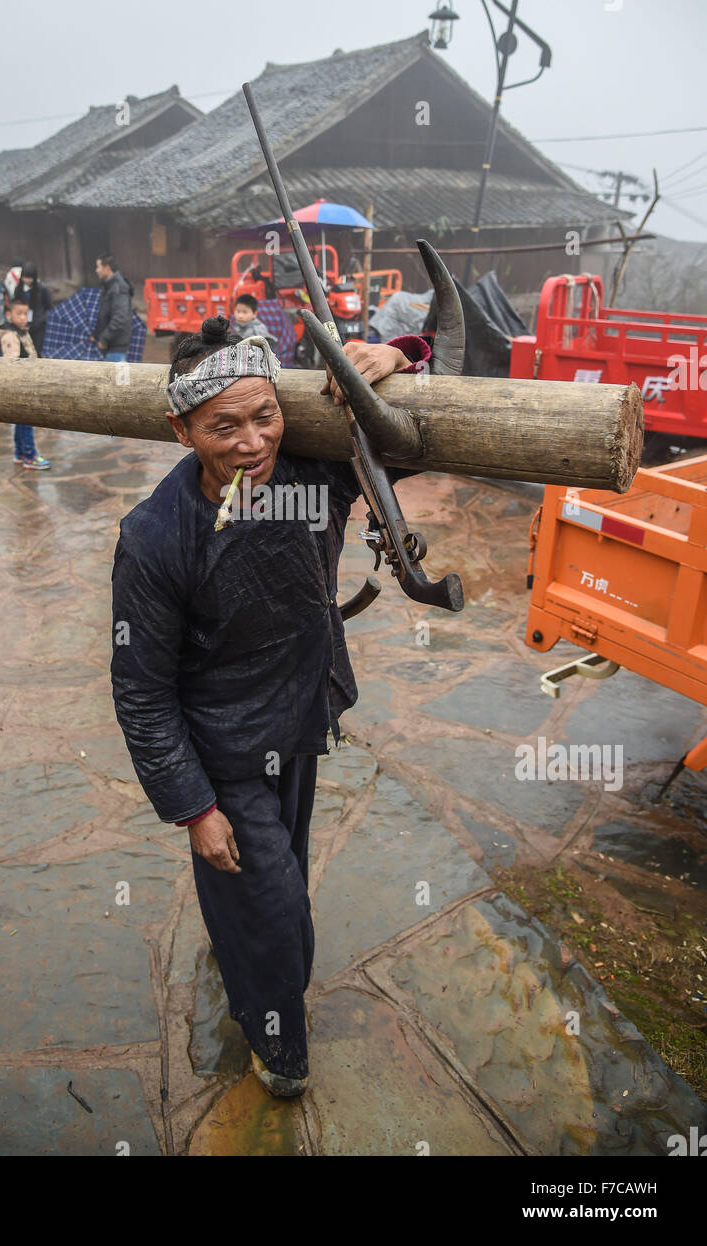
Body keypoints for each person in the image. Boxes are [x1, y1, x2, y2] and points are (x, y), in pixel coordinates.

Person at [111, 315, 432, 1098]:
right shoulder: (154, 538)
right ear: (180, 428)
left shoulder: (317, 474)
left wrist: (400, 355)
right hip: (219, 750)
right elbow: (142, 691)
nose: (253, 443)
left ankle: (243, 951)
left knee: (263, 879)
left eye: (265, 417)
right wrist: (193, 809)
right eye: (224, 426)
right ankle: (277, 1045)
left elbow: (419, 433)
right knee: (278, 907)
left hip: (296, 719)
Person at [0, 295, 51, 470]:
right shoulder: (10, 336)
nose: (23, 318)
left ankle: (20, 453)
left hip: (25, 382)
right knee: (26, 420)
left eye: (26, 314)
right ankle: (30, 455)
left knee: (21, 421)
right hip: (20, 385)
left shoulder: (21, 331)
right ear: (9, 314)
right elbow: (12, 364)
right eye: (19, 314)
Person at [92, 254, 134, 361]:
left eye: (98, 267)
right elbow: (106, 314)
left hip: (116, 347)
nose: (96, 270)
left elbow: (120, 317)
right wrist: (96, 335)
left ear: (107, 268)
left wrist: (104, 339)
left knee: (114, 377)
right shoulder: (109, 286)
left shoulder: (118, 287)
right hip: (111, 345)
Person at [13, 262, 53, 357]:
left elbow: (49, 307)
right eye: (25, 277)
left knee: (37, 351)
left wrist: (43, 319)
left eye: (30, 278)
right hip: (23, 324)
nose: (27, 280)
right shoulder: (19, 289)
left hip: (38, 325)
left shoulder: (42, 289)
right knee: (23, 352)